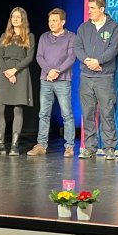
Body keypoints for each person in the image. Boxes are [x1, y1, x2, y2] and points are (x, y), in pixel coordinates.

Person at [74, 0, 118, 160]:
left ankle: (109, 147)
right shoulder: (83, 27)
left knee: (107, 112)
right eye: (89, 8)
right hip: (86, 76)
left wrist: (98, 61)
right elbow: (77, 47)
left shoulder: (113, 27)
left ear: (102, 9)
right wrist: (88, 61)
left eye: (93, 8)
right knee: (87, 113)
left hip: (104, 76)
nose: (89, 11)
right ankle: (90, 147)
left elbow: (113, 49)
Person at [28, 8, 77, 157]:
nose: (51, 23)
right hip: (46, 80)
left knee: (66, 114)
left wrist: (57, 71)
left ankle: (69, 146)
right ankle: (41, 145)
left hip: (63, 80)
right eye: (50, 21)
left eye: (55, 21)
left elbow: (71, 57)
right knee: (43, 113)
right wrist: (49, 71)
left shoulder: (71, 36)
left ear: (63, 22)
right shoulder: (44, 37)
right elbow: (39, 56)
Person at [0, 7, 36, 156]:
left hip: (20, 73)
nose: (15, 19)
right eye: (13, 17)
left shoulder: (29, 36)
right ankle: (0, 144)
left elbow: (29, 57)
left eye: (18, 17)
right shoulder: (5, 36)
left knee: (18, 108)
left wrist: (15, 70)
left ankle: (14, 145)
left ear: (23, 19)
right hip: (5, 73)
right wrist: (7, 71)